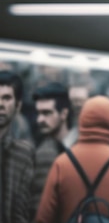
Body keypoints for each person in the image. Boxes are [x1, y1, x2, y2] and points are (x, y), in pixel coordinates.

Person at [0, 71, 35, 223]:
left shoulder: (22, 153)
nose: (0, 104)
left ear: (18, 106)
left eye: (7, 98)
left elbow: (22, 215)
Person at [31, 82, 72, 215]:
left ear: (64, 114)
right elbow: (39, 207)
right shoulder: (43, 153)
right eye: (38, 113)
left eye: (47, 113)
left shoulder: (77, 146)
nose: (40, 119)